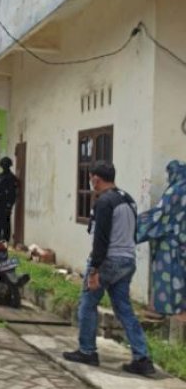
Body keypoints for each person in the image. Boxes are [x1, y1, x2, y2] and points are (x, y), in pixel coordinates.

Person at [63, 161, 155, 376]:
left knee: (87, 304)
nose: (91, 182)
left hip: (107, 261)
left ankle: (87, 351)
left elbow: (101, 239)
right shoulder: (128, 199)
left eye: (91, 178)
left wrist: (94, 269)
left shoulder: (104, 202)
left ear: (96, 178)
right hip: (127, 261)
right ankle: (142, 358)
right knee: (124, 309)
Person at [137, 160, 186, 320]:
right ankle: (180, 307)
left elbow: (161, 213)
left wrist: (137, 223)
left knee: (166, 274)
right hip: (182, 241)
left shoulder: (175, 190)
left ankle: (163, 308)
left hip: (169, 243)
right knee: (180, 275)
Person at [0, 157, 19, 242]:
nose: (4, 167)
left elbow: (13, 193)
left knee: (5, 222)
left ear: (9, 165)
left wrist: (9, 205)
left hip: (6, 203)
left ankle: (5, 240)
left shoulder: (11, 178)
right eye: (3, 165)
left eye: (6, 165)